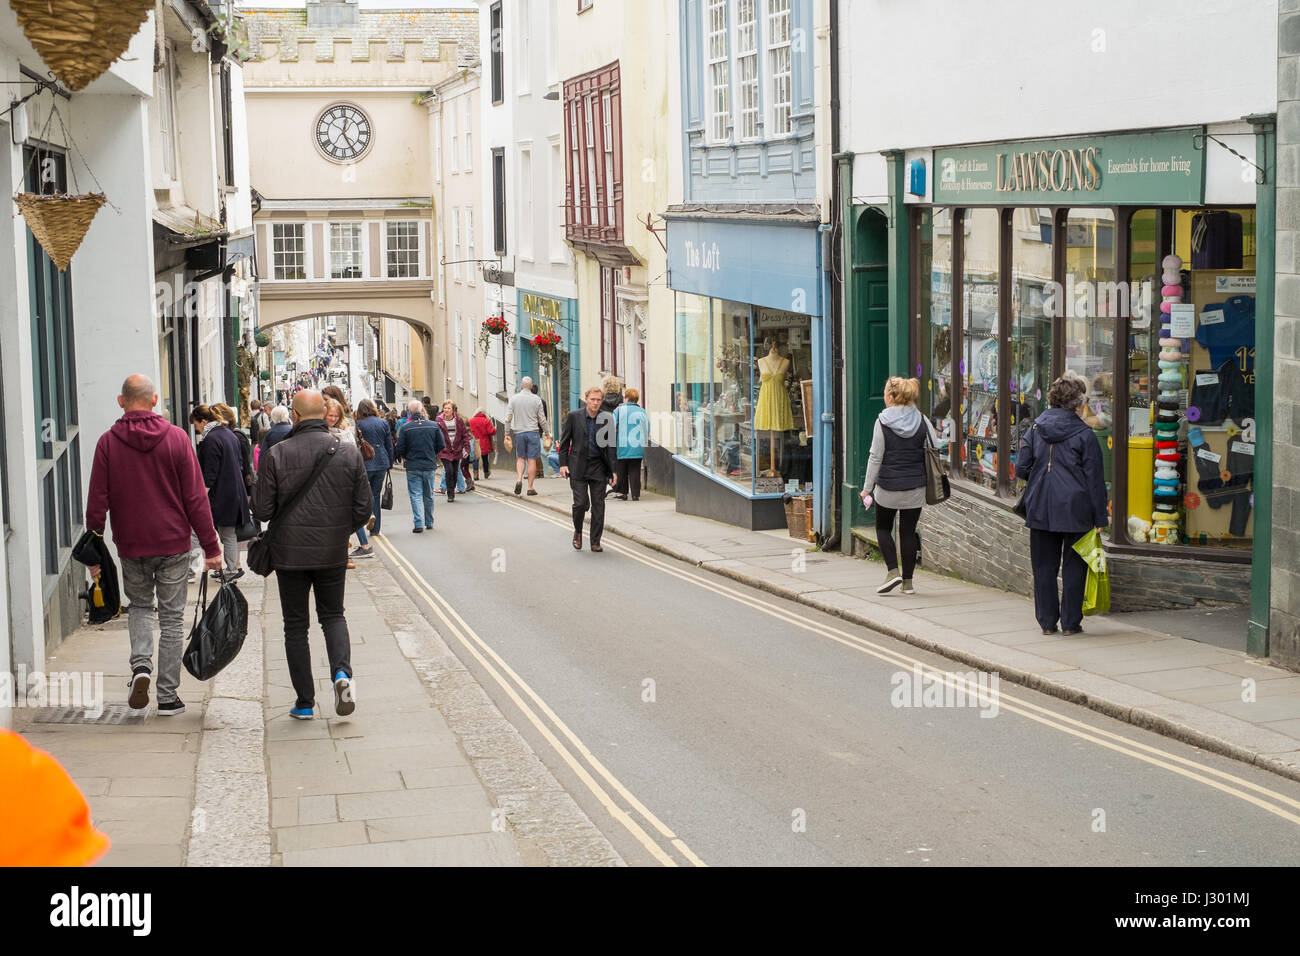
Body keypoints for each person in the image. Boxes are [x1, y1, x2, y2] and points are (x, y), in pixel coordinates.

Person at [85, 375, 223, 716]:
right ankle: (167, 696)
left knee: (142, 607)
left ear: (121, 401)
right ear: (155, 400)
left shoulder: (107, 443)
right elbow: (195, 499)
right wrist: (211, 547)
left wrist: (94, 553)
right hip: (173, 542)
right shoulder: (176, 438)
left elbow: (96, 502)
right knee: (173, 619)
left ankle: (141, 667)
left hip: (132, 544)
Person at [254, 391, 371, 719]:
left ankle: (305, 703)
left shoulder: (276, 454)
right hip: (332, 552)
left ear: (294, 414)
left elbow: (263, 508)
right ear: (324, 413)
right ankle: (342, 675)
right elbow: (364, 508)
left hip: (289, 555)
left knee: (295, 626)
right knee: (333, 616)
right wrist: (339, 531)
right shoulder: (348, 453)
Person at [1017, 370, 1111, 636]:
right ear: (1078, 404)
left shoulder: (1035, 429)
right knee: (1074, 567)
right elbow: (1095, 480)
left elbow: (1022, 467)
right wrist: (1100, 518)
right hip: (1077, 509)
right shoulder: (1085, 435)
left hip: (1040, 506)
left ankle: (1047, 623)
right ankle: (1071, 623)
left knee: (1043, 567)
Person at [861, 376, 939, 596]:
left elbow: (875, 457)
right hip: (915, 487)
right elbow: (935, 446)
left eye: (886, 392)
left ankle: (892, 571)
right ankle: (908, 584)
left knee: (883, 528)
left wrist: (867, 488)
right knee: (907, 531)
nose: (885, 396)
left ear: (892, 397)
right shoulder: (922, 420)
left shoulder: (882, 421)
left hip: (887, 488)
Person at [190, 404, 251, 578]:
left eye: (197, 425)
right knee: (228, 534)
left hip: (220, 496)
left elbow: (210, 473)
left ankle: (198, 569)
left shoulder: (210, 439)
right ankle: (230, 569)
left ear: (203, 421)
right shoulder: (229, 435)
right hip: (233, 493)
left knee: (203, 531)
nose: (197, 430)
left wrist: (201, 495)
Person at [558, 386, 619, 552]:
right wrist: (563, 464)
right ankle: (578, 531)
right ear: (586, 399)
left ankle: (595, 541)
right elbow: (564, 444)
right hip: (578, 466)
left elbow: (610, 447)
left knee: (598, 505)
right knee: (580, 504)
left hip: (598, 466)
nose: (595, 403)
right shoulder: (574, 417)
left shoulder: (606, 418)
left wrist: (614, 470)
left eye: (599, 400)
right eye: (592, 399)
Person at [395, 399, 446, 532]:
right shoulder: (433, 426)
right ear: (422, 410)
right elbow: (441, 444)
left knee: (415, 495)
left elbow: (400, 448)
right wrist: (432, 453)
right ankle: (429, 522)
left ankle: (418, 523)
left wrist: (406, 456)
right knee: (428, 494)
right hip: (429, 465)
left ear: (410, 412)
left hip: (413, 466)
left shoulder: (405, 428)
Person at [355, 398, 394, 539]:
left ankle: (369, 515)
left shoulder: (358, 424)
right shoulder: (383, 422)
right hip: (381, 462)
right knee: (375, 494)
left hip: (365, 463)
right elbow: (389, 444)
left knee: (363, 495)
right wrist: (390, 462)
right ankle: (375, 529)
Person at [506, 376, 546, 496]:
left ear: (522, 386)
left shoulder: (514, 399)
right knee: (532, 459)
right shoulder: (537, 399)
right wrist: (547, 432)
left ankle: (519, 479)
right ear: (531, 386)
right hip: (533, 432)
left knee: (521, 458)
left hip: (519, 433)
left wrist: (507, 433)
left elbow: (508, 418)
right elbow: (542, 419)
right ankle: (530, 487)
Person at [613, 387, 649, 501]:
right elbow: (647, 428)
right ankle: (635, 494)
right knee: (635, 469)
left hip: (622, 444)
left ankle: (622, 492)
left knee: (621, 469)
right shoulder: (642, 411)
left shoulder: (618, 410)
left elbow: (613, 426)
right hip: (637, 445)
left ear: (626, 398)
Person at [437, 400, 471, 502]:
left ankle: (452, 489)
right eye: (445, 408)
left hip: (457, 450)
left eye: (448, 408)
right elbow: (436, 435)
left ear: (453, 410)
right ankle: (450, 494)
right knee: (449, 471)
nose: (446, 410)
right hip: (445, 450)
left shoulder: (459, 420)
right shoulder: (439, 420)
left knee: (455, 472)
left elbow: (464, 435)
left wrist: (467, 449)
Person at [469, 408, 496, 480]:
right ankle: (486, 473)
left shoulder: (471, 421)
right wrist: (494, 429)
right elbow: (491, 431)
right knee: (485, 459)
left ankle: (475, 474)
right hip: (484, 442)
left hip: (475, 442)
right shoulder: (486, 421)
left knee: (475, 458)